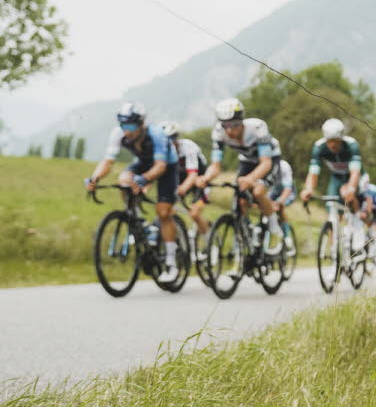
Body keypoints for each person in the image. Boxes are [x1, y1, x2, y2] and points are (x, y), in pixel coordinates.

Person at [84, 102, 182, 282]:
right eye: (123, 125)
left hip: (167, 166)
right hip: (144, 161)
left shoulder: (157, 135)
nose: (126, 130)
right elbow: (108, 162)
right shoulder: (118, 134)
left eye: (130, 126)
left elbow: (160, 167)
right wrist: (95, 178)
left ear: (141, 124)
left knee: (163, 211)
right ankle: (139, 220)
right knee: (124, 181)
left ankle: (171, 261)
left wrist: (144, 179)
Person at [194, 97, 284, 254]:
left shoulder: (257, 127)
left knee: (258, 191)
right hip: (247, 160)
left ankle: (274, 229)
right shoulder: (218, 132)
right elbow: (215, 166)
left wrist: (251, 179)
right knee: (240, 198)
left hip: (269, 160)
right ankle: (245, 234)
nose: (229, 130)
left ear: (241, 121)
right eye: (225, 125)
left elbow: (266, 163)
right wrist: (205, 178)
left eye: (234, 125)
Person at [166, 121, 211, 258]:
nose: (169, 144)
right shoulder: (163, 152)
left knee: (194, 214)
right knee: (167, 212)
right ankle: (182, 243)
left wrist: (183, 188)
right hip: (181, 180)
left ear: (176, 138)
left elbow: (193, 174)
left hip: (199, 181)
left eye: (172, 139)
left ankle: (210, 244)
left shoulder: (189, 147)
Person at [299, 118, 361, 212]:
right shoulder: (319, 147)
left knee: (348, 195)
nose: (332, 145)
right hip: (336, 177)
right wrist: (309, 189)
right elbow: (313, 173)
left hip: (353, 176)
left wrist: (351, 188)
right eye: (329, 141)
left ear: (341, 138)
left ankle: (357, 219)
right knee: (331, 206)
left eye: (335, 141)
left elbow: (355, 172)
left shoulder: (351, 145)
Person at [267, 137, 296, 253]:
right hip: (273, 192)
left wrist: (279, 201)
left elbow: (288, 189)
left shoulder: (284, 166)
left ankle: (287, 237)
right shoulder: (262, 164)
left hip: (287, 192)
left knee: (280, 207)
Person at [357, 172, 376, 264]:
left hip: (375, 208)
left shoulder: (373, 188)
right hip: (365, 209)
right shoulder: (359, 188)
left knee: (374, 226)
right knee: (364, 223)